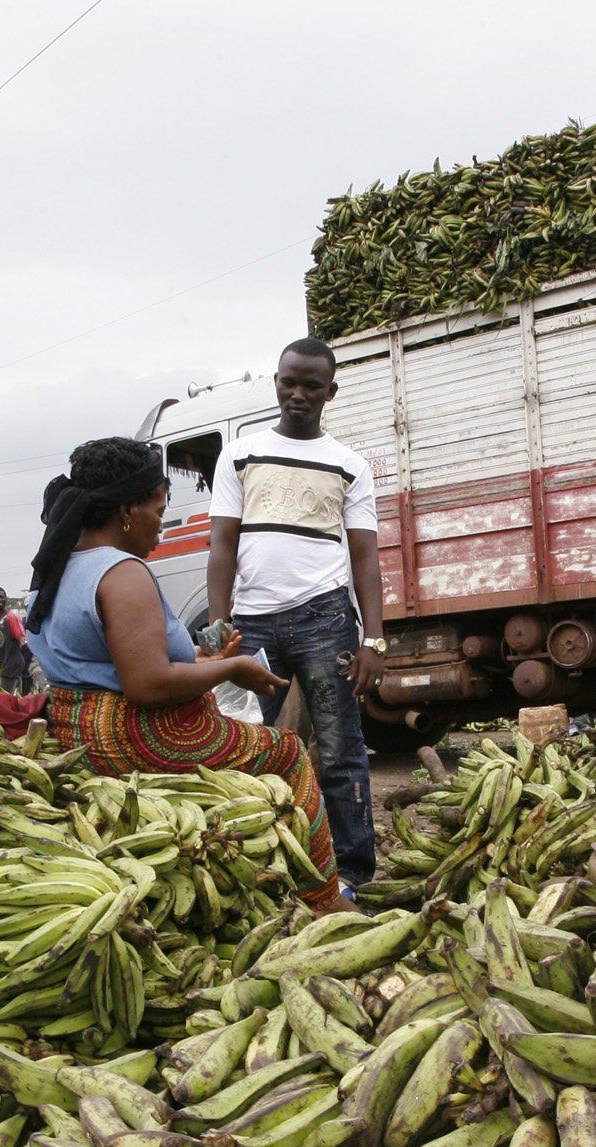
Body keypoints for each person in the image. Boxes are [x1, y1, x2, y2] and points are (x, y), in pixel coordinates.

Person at [28, 437, 353, 912]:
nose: (161, 526)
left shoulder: (59, 569)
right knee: (286, 754)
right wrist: (233, 666)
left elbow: (104, 665)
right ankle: (326, 901)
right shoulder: (122, 572)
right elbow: (146, 684)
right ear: (126, 511)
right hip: (143, 735)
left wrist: (205, 663)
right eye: (158, 511)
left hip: (80, 729)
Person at [205, 337, 385, 891]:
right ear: (276, 382)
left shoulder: (350, 465)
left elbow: (365, 556)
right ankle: (265, 868)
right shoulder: (239, 453)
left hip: (324, 618)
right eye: (289, 382)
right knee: (251, 748)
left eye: (312, 385)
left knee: (339, 751)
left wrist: (373, 640)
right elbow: (221, 547)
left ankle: (352, 873)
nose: (298, 394)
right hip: (252, 624)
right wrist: (219, 627)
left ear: (331, 391)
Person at [0, 587, 34, 694]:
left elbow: (21, 638)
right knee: (15, 697)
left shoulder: (11, 617)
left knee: (3, 697)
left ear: (6, 599)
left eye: (2, 597)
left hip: (13, 664)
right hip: (6, 664)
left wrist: (27, 650)